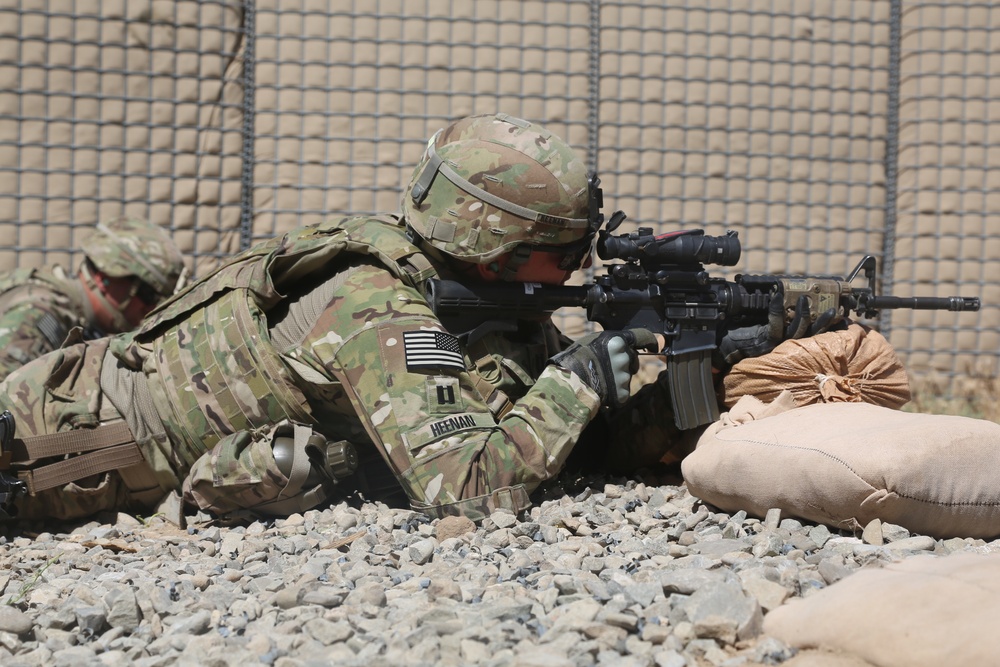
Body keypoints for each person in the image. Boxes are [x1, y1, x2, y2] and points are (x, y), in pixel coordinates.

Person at [0, 113, 831, 523]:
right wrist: (577, 381)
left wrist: (705, 379)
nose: (585, 264)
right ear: (502, 245)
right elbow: (464, 487)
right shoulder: (377, 305)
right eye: (567, 246)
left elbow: (563, 441)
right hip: (54, 443)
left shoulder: (485, 302)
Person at [0, 216, 186, 381]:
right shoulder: (41, 313)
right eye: (148, 294)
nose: (150, 307)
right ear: (105, 277)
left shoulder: (76, 319)